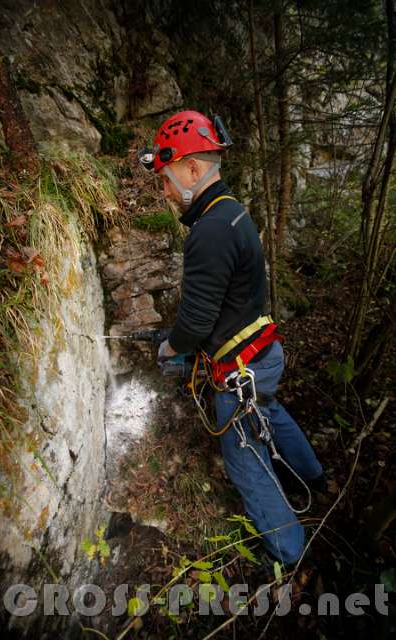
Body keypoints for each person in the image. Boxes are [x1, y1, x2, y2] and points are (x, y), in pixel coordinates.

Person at [138, 110, 326, 566]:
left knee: (244, 457)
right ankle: (313, 476)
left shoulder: (209, 232)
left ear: (193, 169)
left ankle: (288, 552)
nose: (164, 191)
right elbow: (225, 302)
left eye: (165, 178)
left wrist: (171, 347)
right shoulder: (232, 212)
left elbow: (197, 322)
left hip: (241, 373)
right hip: (262, 354)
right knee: (269, 411)